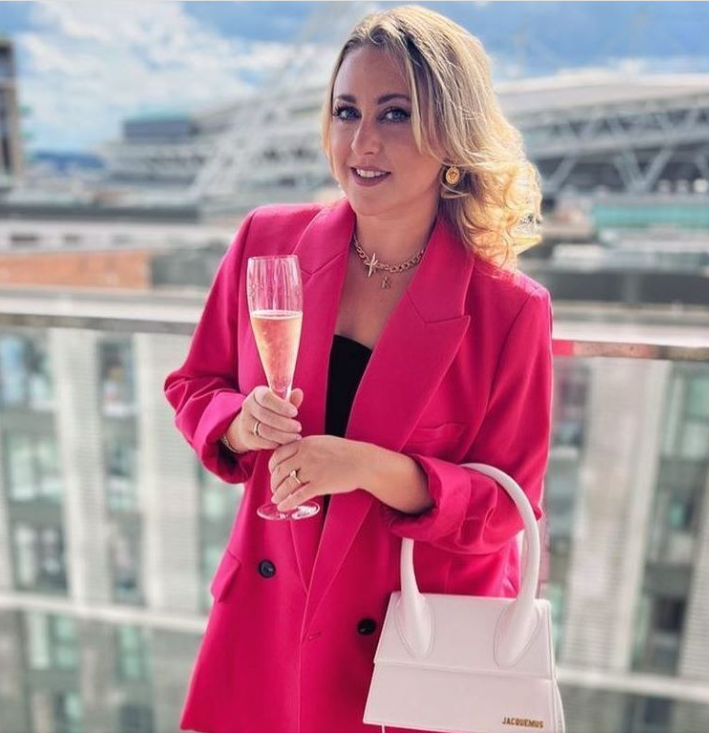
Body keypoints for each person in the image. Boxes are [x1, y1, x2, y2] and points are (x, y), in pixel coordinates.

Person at [164, 5, 553, 733]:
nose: (362, 141)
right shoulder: (266, 240)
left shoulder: (508, 309)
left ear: (452, 136)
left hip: (410, 651)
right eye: (347, 111)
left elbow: (507, 508)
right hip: (268, 627)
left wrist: (369, 468)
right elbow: (195, 385)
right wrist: (240, 424)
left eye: (395, 114)